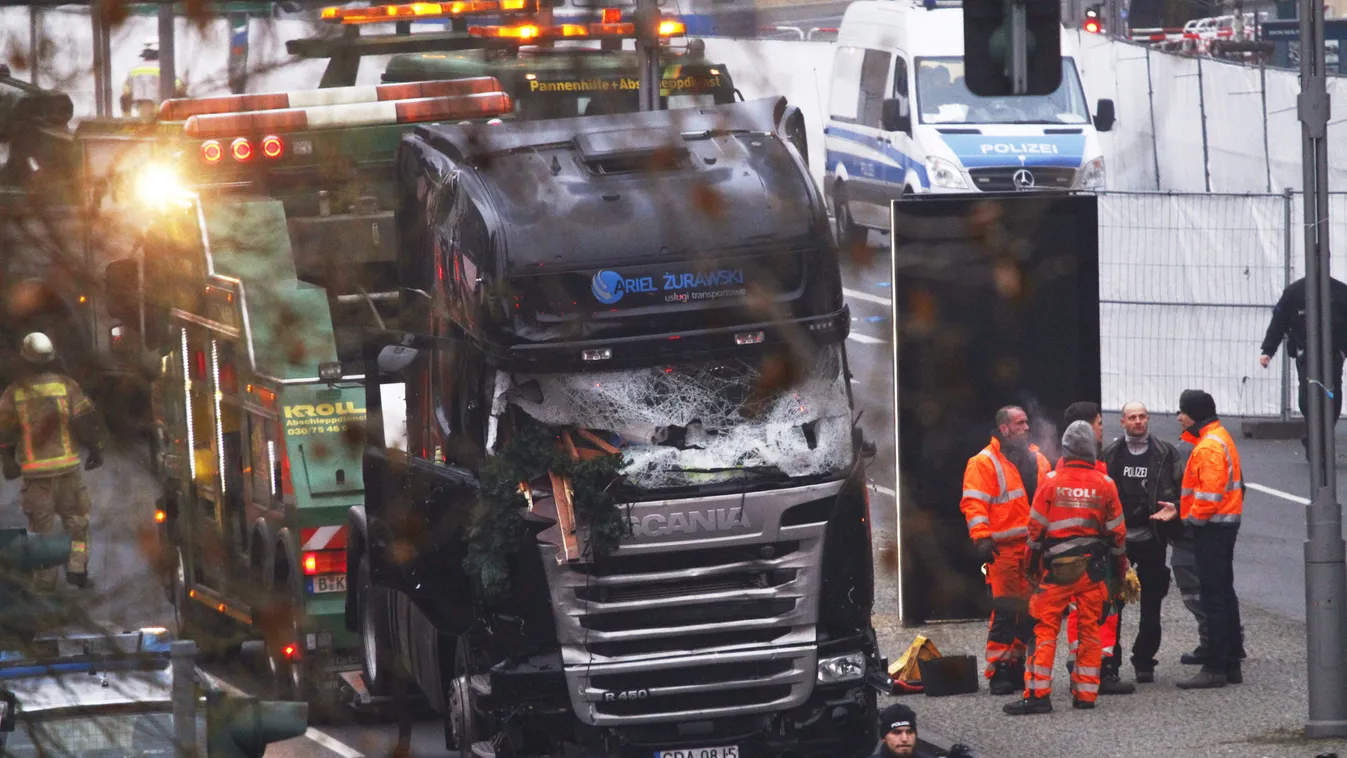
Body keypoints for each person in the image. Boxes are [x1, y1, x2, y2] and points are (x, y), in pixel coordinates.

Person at [1004, 421, 1128, 715]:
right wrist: (1118, 575)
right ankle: (1086, 694)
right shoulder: (1106, 484)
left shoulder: (1050, 481)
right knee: (1090, 631)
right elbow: (1117, 537)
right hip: (1092, 572)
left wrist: (1030, 570)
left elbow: (1034, 533)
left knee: (1043, 630)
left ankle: (1038, 695)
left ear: (1066, 449)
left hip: (1056, 572)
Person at [1153, 390, 1246, 688]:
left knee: (1213, 597)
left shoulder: (1208, 447)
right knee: (1223, 593)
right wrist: (1180, 510)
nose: (1179, 417)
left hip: (1212, 530)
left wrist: (1189, 521)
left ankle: (1215, 667)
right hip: (1222, 527)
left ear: (1195, 414)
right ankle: (1230, 662)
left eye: (1183, 412)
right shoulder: (1219, 437)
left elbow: (1208, 497)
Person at [0, 333, 105, 591]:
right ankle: (77, 570)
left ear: (25, 359)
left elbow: (5, 431)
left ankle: (45, 585)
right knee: (78, 522)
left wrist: (8, 460)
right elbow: (83, 421)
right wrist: (95, 450)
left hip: (36, 477)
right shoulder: (66, 386)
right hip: (68, 471)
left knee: (41, 532)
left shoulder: (14, 393)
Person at [960, 405, 1051, 695]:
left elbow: (1050, 500)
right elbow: (973, 503)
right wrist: (981, 538)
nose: (1026, 427)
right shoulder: (983, 462)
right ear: (1005, 428)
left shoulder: (1038, 460)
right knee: (1004, 612)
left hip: (1033, 550)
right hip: (1002, 552)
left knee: (1028, 613)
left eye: (1026, 422)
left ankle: (1016, 664)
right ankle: (998, 668)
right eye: (1020, 423)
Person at [1100, 401, 1183, 683]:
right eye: (1133, 417)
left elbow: (1182, 489)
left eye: (1142, 416)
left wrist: (1175, 511)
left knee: (1152, 603)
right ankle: (1111, 661)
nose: (1138, 421)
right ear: (1122, 422)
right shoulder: (1110, 454)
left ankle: (1145, 660)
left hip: (1152, 538)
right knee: (1113, 603)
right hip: (1119, 541)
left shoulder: (1165, 452)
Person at [1058, 402, 1133, 695]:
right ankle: (1100, 670)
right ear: (1088, 429)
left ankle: (1080, 665)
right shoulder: (1098, 474)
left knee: (1078, 611)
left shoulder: (1058, 472)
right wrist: (1121, 560)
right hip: (1097, 557)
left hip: (1067, 557)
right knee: (1103, 612)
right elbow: (1114, 524)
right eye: (1100, 423)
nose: (1103, 428)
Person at [1258, 275, 1347, 442]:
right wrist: (1268, 350)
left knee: (1332, 395)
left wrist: (1342, 351)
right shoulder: (1295, 292)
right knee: (1307, 395)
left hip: (1334, 353)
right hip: (1305, 353)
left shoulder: (1340, 291)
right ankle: (1314, 434)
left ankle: (1323, 435)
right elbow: (1279, 320)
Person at [120, 39, 187, 119]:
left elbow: (125, 93)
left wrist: (127, 114)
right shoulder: (165, 69)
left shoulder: (134, 71)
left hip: (141, 109)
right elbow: (179, 88)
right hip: (160, 108)